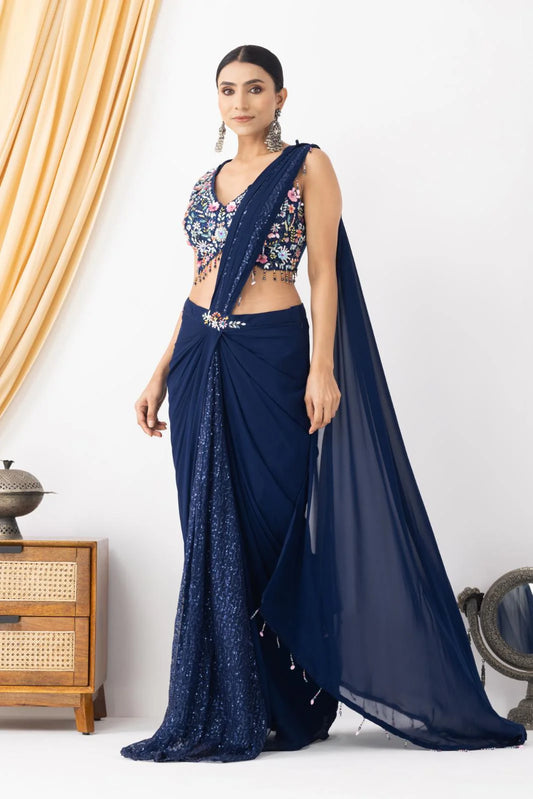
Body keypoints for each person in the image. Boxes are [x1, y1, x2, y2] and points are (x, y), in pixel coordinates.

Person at [120, 45, 527, 763]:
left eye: (254, 88)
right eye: (227, 90)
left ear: (279, 97)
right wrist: (157, 373)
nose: (240, 101)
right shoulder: (204, 183)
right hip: (197, 359)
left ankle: (291, 698)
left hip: (272, 353)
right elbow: (198, 279)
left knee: (276, 521)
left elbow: (323, 273)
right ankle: (232, 700)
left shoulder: (307, 166)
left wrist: (321, 367)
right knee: (207, 526)